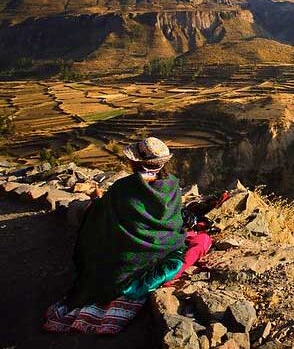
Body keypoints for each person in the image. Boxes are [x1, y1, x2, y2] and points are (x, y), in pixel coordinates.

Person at [43, 137, 212, 335]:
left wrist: (96, 205)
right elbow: (173, 222)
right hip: (163, 248)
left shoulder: (122, 188)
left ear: (135, 161)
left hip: (126, 259)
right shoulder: (172, 185)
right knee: (201, 240)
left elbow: (100, 221)